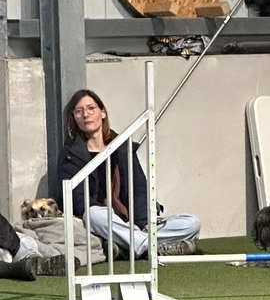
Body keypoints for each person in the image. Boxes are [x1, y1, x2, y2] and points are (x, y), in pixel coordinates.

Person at [57, 89, 201, 257]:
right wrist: (119, 222)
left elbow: (139, 188)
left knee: (191, 223)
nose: (86, 115)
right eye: (79, 111)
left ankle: (129, 245)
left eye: (91, 108)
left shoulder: (122, 147)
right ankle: (150, 246)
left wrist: (142, 223)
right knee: (94, 214)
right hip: (104, 222)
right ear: (74, 118)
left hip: (132, 222)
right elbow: (78, 200)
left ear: (102, 113)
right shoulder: (71, 154)